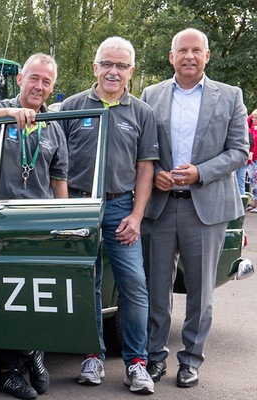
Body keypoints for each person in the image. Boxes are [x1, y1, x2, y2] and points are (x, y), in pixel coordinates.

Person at [141, 28, 249, 389]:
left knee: (200, 294)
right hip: (159, 207)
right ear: (171, 56)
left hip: (205, 209)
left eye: (196, 50)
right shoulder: (151, 95)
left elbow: (239, 151)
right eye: (182, 50)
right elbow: (142, 147)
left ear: (207, 55)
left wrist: (201, 172)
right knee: (156, 290)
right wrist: (156, 172)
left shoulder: (230, 96)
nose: (189, 56)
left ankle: (190, 360)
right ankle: (154, 358)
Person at [0, 53, 66, 399]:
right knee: (7, 298)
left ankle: (34, 351)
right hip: (0, 221)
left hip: (39, 225)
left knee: (38, 295)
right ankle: (9, 372)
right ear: (20, 79)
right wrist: (8, 114)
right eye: (34, 78)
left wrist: (64, 222)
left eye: (46, 81)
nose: (39, 86)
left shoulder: (54, 125)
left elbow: (59, 181)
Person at [59, 36, 159, 394]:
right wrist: (65, 211)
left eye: (121, 65)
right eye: (107, 63)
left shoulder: (142, 113)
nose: (113, 71)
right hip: (78, 206)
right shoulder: (71, 106)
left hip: (121, 208)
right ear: (95, 67)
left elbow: (145, 168)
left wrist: (136, 215)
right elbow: (56, 165)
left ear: (131, 71)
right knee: (87, 284)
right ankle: (91, 356)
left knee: (134, 285)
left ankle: (136, 363)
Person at [246, 108, 257, 211]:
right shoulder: (252, 127)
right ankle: (254, 202)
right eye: (253, 117)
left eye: (255, 118)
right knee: (253, 181)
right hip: (253, 159)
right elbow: (246, 121)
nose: (253, 119)